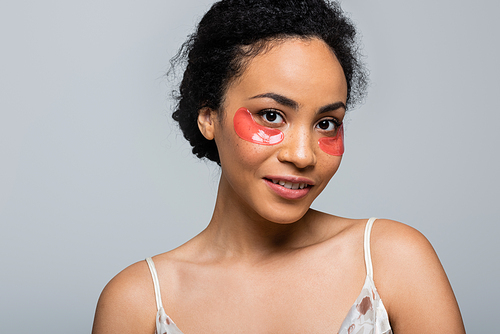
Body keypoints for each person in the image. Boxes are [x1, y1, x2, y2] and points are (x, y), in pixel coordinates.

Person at [92, 0, 465, 333]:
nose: (303, 155)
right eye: (272, 116)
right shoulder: (139, 303)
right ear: (208, 116)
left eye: (326, 123)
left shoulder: (392, 260)